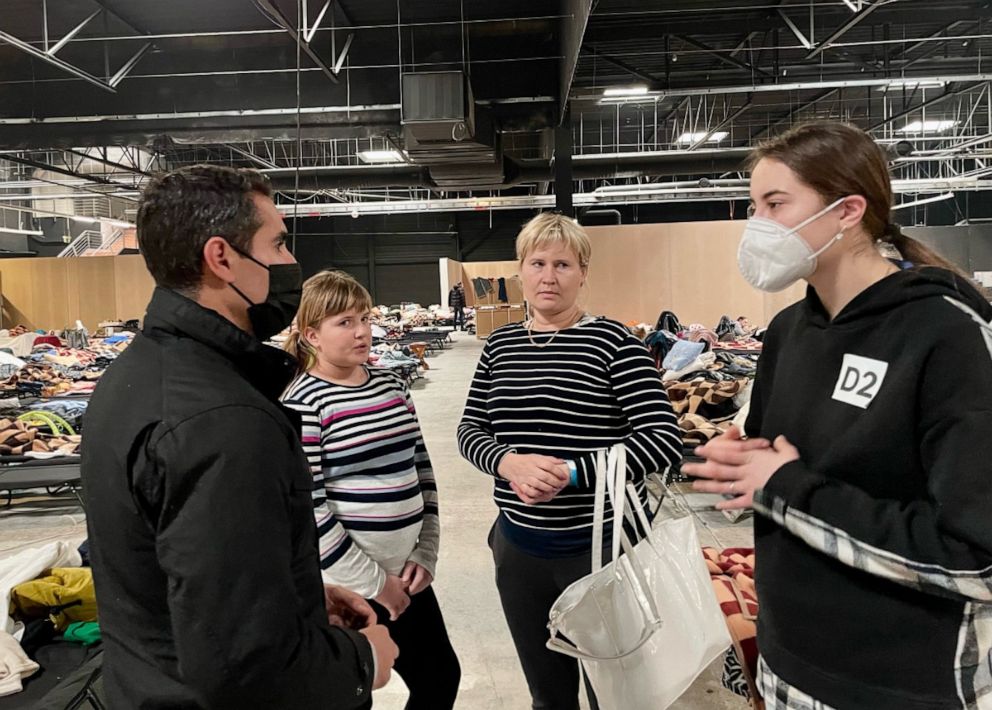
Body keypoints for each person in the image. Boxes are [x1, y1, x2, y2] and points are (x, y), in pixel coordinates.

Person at [685, 122, 992, 709]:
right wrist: (740, 465)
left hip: (901, 684)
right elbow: (780, 474)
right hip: (788, 665)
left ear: (848, 210)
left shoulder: (946, 334)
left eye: (775, 203)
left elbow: (977, 557)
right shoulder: (787, 332)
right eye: (753, 206)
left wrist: (786, 488)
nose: (757, 226)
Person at [82, 166, 398, 709]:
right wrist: (362, 660)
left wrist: (296, 594)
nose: (288, 263)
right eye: (276, 245)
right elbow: (244, 666)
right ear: (222, 258)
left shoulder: (139, 374)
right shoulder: (223, 420)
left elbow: (183, 574)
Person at [457, 212, 682, 710]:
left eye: (563, 264)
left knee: (615, 693)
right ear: (521, 270)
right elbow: (470, 430)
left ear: (583, 273)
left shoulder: (613, 343)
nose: (548, 275)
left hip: (602, 552)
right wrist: (507, 462)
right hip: (520, 551)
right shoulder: (500, 345)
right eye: (537, 262)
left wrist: (573, 472)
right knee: (549, 695)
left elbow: (663, 439)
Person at [283, 270, 461, 710]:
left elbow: (422, 470)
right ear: (312, 335)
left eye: (364, 317)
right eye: (344, 322)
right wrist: (377, 585)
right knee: (350, 694)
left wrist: (426, 553)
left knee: (440, 677)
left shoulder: (391, 385)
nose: (362, 331)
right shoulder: (302, 402)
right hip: (346, 588)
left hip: (409, 574)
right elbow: (310, 507)